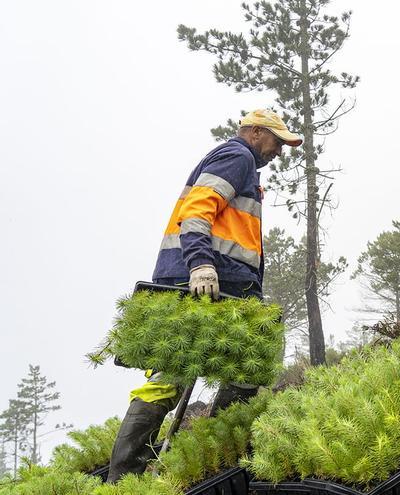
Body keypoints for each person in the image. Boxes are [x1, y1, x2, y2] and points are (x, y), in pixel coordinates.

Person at [107, 109, 302, 483]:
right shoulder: (237, 156)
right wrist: (200, 264)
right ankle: (210, 457)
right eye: (277, 140)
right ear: (256, 132)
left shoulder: (242, 163)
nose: (280, 149)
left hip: (218, 284)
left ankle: (131, 479)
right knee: (248, 362)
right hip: (208, 284)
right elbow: (196, 210)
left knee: (178, 375)